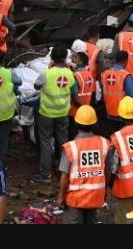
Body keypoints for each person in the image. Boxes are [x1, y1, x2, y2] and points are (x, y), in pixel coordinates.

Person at [57, 105, 108, 224]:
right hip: (95, 195)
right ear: (94, 124)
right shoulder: (104, 144)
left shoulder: (71, 147)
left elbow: (64, 176)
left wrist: (61, 196)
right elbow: (108, 171)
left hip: (76, 198)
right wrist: (104, 191)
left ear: (75, 123)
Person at [31, 46, 75, 184]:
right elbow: (74, 91)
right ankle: (63, 171)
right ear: (64, 58)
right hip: (63, 112)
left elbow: (36, 86)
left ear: (52, 58)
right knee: (63, 142)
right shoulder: (70, 74)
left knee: (45, 142)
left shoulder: (47, 73)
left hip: (46, 113)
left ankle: (45, 174)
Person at [101, 50, 133, 134]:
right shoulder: (125, 75)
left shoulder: (105, 74)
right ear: (126, 60)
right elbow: (132, 95)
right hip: (123, 115)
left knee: (113, 138)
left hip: (109, 113)